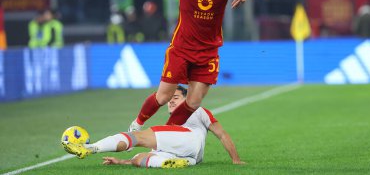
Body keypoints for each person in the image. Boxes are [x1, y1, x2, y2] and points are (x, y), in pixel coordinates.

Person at [124, 0, 262, 130]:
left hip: (208, 52)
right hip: (182, 48)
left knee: (194, 102)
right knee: (163, 96)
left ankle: (166, 134)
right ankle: (136, 124)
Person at [62, 85, 244, 168]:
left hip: (189, 139)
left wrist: (235, 159)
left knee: (138, 136)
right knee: (139, 158)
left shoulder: (198, 111)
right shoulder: (171, 127)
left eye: (176, 98)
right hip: (191, 156)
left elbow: (222, 134)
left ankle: (90, 148)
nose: (171, 102)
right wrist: (121, 162)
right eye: (170, 100)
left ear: (187, 99)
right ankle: (169, 164)